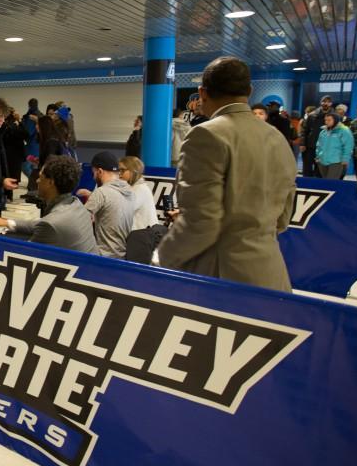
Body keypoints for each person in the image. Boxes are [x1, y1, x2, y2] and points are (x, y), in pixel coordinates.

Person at [157, 56, 297, 292]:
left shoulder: (206, 135)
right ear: (249, 91)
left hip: (222, 278)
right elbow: (283, 216)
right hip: (271, 274)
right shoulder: (276, 137)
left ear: (202, 92)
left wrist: (162, 259)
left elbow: (201, 223)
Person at [0, 155, 98, 254]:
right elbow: (41, 224)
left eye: (40, 177)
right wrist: (6, 222)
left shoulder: (52, 224)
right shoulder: (76, 204)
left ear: (50, 182)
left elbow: (21, 256)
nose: (37, 181)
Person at [76, 151, 135, 258]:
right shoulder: (129, 192)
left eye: (93, 173)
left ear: (100, 171)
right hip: (122, 256)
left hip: (103, 257)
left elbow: (79, 222)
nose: (93, 177)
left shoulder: (101, 192)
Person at [118, 156, 158, 231]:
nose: (119, 174)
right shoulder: (135, 188)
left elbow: (122, 210)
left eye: (122, 170)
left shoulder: (140, 189)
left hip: (143, 238)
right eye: (118, 170)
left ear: (133, 171)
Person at [300, 96, 333, 177]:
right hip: (310, 146)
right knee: (307, 170)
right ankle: (306, 187)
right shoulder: (312, 115)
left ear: (331, 104)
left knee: (320, 171)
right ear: (320, 102)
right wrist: (302, 143)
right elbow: (304, 130)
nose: (325, 103)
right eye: (323, 101)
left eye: (328, 102)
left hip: (325, 148)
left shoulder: (335, 116)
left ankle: (318, 188)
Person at [315, 111, 354, 179]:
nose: (326, 122)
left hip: (336, 162)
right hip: (322, 161)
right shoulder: (323, 131)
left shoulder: (344, 130)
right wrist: (318, 156)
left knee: (331, 183)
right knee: (325, 183)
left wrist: (345, 159)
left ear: (335, 120)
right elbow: (319, 145)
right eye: (325, 120)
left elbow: (348, 146)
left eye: (329, 120)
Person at [2, 108, 28, 200]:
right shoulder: (5, 125)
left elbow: (25, 134)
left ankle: (9, 195)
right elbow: (8, 133)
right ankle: (7, 195)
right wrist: (16, 123)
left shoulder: (16, 124)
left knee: (12, 176)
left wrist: (19, 122)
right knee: (8, 175)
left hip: (15, 155)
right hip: (8, 154)